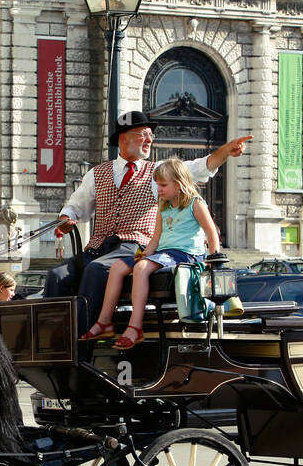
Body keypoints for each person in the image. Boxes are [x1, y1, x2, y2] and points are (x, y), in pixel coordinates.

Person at [45, 110, 249, 330]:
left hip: (134, 246)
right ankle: (53, 341)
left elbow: (198, 168)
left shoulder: (158, 173)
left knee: (97, 270)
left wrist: (225, 152)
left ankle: (82, 344)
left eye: (151, 135)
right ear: (124, 138)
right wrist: (66, 218)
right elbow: (77, 205)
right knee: (56, 275)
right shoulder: (97, 173)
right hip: (99, 247)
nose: (150, 139)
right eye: (144, 134)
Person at [83, 159, 221, 348]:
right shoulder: (163, 207)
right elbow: (155, 239)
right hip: (164, 254)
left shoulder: (195, 204)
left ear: (179, 185)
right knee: (117, 267)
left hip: (186, 255)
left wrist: (214, 259)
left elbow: (211, 232)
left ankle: (135, 327)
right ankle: (104, 322)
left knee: (141, 268)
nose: (159, 189)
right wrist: (144, 254)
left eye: (163, 185)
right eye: (157, 184)